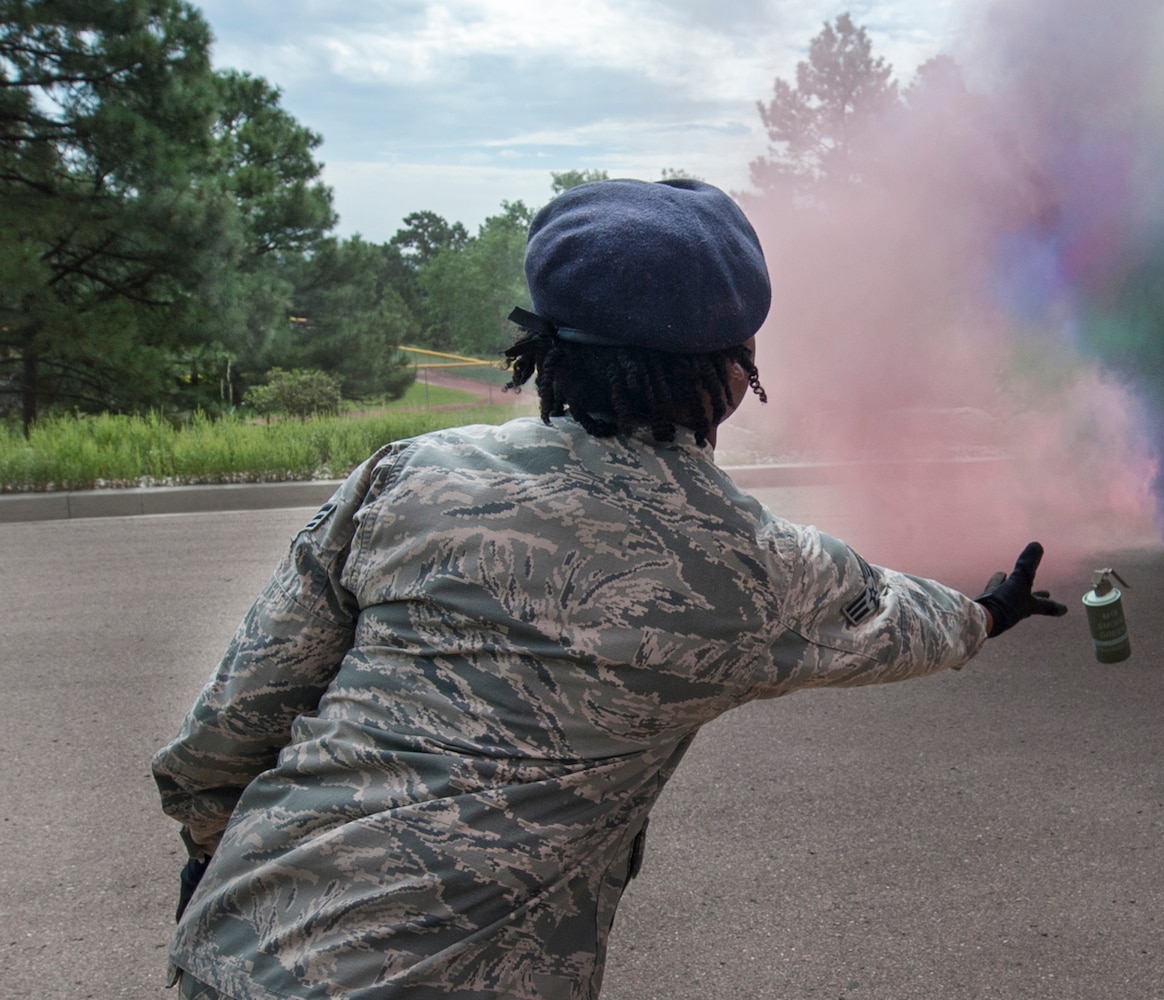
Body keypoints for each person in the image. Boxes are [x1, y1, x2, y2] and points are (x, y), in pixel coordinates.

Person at [152, 178, 1067, 1000]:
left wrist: (214, 855)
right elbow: (894, 622)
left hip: (238, 948)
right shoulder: (748, 564)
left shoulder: (410, 477)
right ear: (729, 380)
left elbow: (235, 719)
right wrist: (988, 613)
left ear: (543, 352)